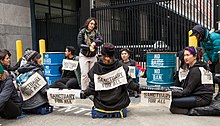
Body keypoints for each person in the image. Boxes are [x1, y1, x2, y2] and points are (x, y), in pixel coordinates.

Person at [81, 43, 140, 113]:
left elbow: (92, 88)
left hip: (101, 105)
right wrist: (138, 88)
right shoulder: (120, 66)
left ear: (102, 54)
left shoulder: (96, 67)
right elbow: (129, 83)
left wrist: (84, 93)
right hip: (119, 103)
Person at [170, 46, 214, 115]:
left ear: (195, 56)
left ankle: (194, 111)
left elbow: (187, 91)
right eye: (184, 55)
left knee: (172, 102)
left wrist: (171, 94)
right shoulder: (200, 67)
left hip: (201, 98)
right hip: (202, 96)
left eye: (188, 55)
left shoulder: (195, 70)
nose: (185, 58)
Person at [16, 50, 51, 114]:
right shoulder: (37, 72)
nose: (40, 60)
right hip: (38, 105)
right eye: (38, 58)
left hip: (24, 107)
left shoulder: (21, 72)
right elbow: (44, 91)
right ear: (32, 60)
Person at [190, 25, 220, 99]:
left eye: (196, 35)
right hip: (211, 59)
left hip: (218, 58)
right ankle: (210, 92)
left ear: (200, 33)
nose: (196, 37)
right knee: (211, 75)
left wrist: (213, 59)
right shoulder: (202, 40)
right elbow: (204, 50)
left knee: (218, 76)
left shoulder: (214, 36)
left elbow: (217, 49)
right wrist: (207, 59)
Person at [77, 17, 103, 90]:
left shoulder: (96, 32)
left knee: (92, 74)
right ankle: (84, 90)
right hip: (84, 55)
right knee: (84, 74)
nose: (92, 25)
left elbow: (101, 40)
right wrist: (89, 47)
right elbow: (79, 44)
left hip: (93, 55)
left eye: (94, 24)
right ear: (87, 23)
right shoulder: (82, 32)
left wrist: (95, 42)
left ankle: (91, 89)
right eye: (91, 23)